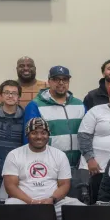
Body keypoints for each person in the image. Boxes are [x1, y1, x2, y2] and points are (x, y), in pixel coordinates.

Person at [2, 118, 85, 220]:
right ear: (27, 135)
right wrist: (31, 202)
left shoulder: (59, 155)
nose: (39, 137)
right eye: (34, 133)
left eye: (43, 133)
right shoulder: (14, 155)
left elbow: (64, 184)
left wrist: (52, 200)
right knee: (10, 207)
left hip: (54, 204)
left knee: (80, 209)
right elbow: (10, 186)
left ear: (48, 135)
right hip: (23, 203)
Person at [23, 66, 88, 200]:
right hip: (49, 169)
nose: (61, 83)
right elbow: (29, 139)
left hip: (76, 168)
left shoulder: (79, 104)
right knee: (50, 206)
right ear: (49, 81)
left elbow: (88, 134)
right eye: (56, 79)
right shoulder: (35, 105)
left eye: (65, 79)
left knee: (74, 208)